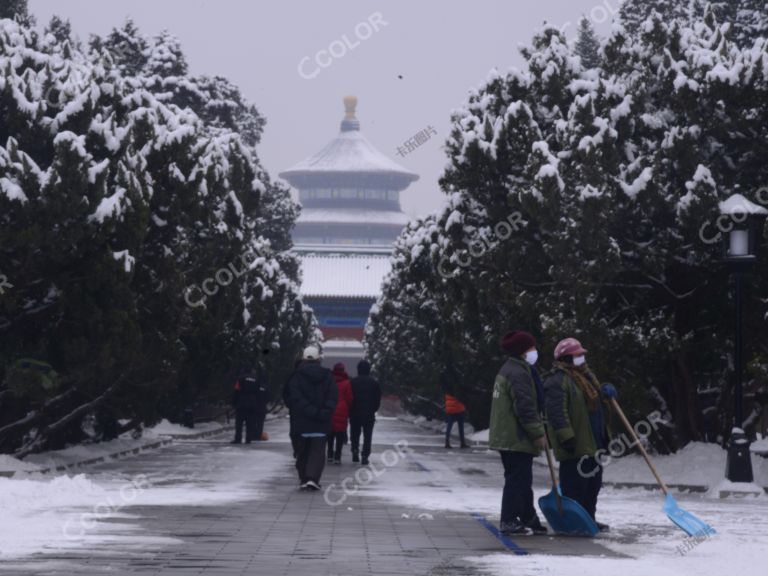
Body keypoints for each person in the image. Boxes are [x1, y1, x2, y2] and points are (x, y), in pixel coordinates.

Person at [544, 337, 616, 532]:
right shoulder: (557, 380)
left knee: (593, 484)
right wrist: (566, 436)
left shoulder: (586, 377)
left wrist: (605, 393)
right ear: (567, 358)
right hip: (576, 443)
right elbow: (557, 412)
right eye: (578, 355)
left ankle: (588, 518)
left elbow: (596, 404)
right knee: (576, 485)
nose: (582, 358)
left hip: (594, 440)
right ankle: (573, 522)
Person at [489, 330, 547, 535]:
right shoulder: (518, 373)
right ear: (522, 351)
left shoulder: (512, 369)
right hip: (515, 436)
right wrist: (538, 433)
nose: (535, 351)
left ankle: (527, 517)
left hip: (510, 436)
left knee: (522, 479)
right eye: (532, 348)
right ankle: (509, 520)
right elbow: (525, 407)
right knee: (517, 479)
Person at [288, 346, 338, 490]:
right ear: (318, 359)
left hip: (303, 420)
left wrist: (310, 410)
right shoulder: (328, 376)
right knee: (317, 451)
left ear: (303, 359)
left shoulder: (296, 376)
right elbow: (333, 396)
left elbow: (295, 398)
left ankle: (304, 478)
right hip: (321, 422)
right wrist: (324, 411)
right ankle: (313, 478)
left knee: (303, 452)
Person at [349, 360, 382, 465]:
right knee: (368, 435)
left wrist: (350, 410)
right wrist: (373, 409)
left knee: (355, 433)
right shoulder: (374, 383)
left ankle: (354, 449)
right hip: (369, 413)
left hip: (355, 412)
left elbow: (349, 397)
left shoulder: (353, 382)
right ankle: (365, 454)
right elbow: (378, 399)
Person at [231, 364, 269, 444]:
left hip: (241, 402)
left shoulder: (240, 378)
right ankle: (248, 439)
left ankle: (238, 438)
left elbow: (236, 390)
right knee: (250, 422)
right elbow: (258, 392)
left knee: (239, 423)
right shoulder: (256, 379)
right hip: (252, 403)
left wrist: (234, 402)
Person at [327, 363, 353, 464]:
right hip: (342, 409)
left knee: (330, 434)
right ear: (343, 370)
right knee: (340, 434)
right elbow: (350, 398)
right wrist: (348, 407)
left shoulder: (329, 381)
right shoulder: (347, 383)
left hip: (330, 408)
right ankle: (337, 456)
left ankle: (329, 454)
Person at [442, 365, 469, 449]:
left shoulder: (446, 383)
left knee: (449, 426)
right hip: (458, 408)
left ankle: (447, 442)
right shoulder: (457, 383)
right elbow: (460, 395)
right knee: (461, 427)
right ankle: (462, 443)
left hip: (450, 409)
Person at [282, 359, 303, 458]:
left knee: (294, 431)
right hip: (307, 409)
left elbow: (285, 392)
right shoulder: (309, 376)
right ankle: (302, 449)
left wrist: (290, 404)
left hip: (295, 408)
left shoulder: (292, 376)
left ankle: (297, 449)